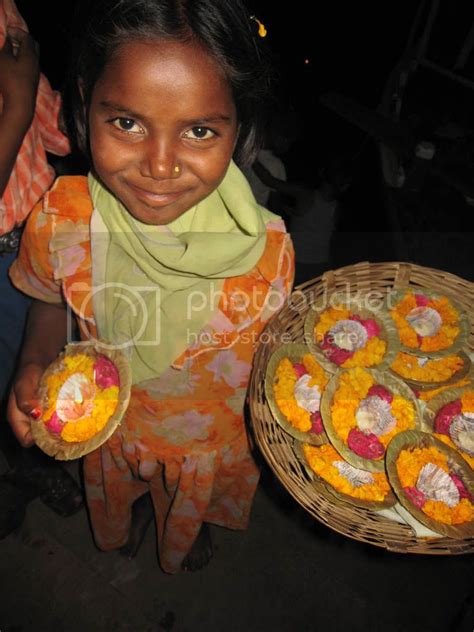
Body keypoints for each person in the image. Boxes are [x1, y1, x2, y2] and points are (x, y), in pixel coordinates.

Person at [7, 0, 294, 573]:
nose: (160, 167)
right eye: (128, 123)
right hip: (117, 428)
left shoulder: (268, 253)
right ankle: (144, 509)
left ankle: (185, 519)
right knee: (130, 489)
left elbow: (273, 363)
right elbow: (48, 298)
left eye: (200, 130)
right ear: (85, 102)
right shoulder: (62, 218)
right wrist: (34, 360)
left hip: (208, 441)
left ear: (240, 128)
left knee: (188, 503)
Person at [0, 0, 83, 538]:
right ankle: (24, 472)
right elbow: (31, 103)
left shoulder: (7, 19)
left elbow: (62, 135)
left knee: (40, 376)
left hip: (35, 236)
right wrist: (17, 101)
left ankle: (34, 466)